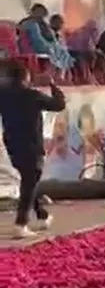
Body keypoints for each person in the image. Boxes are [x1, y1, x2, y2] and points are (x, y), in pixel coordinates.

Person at [0, 61, 66, 238]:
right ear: (25, 77)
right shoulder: (31, 95)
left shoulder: (3, 95)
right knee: (30, 180)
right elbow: (59, 105)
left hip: (12, 143)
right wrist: (52, 84)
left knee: (29, 179)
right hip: (30, 143)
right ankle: (21, 224)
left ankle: (41, 214)